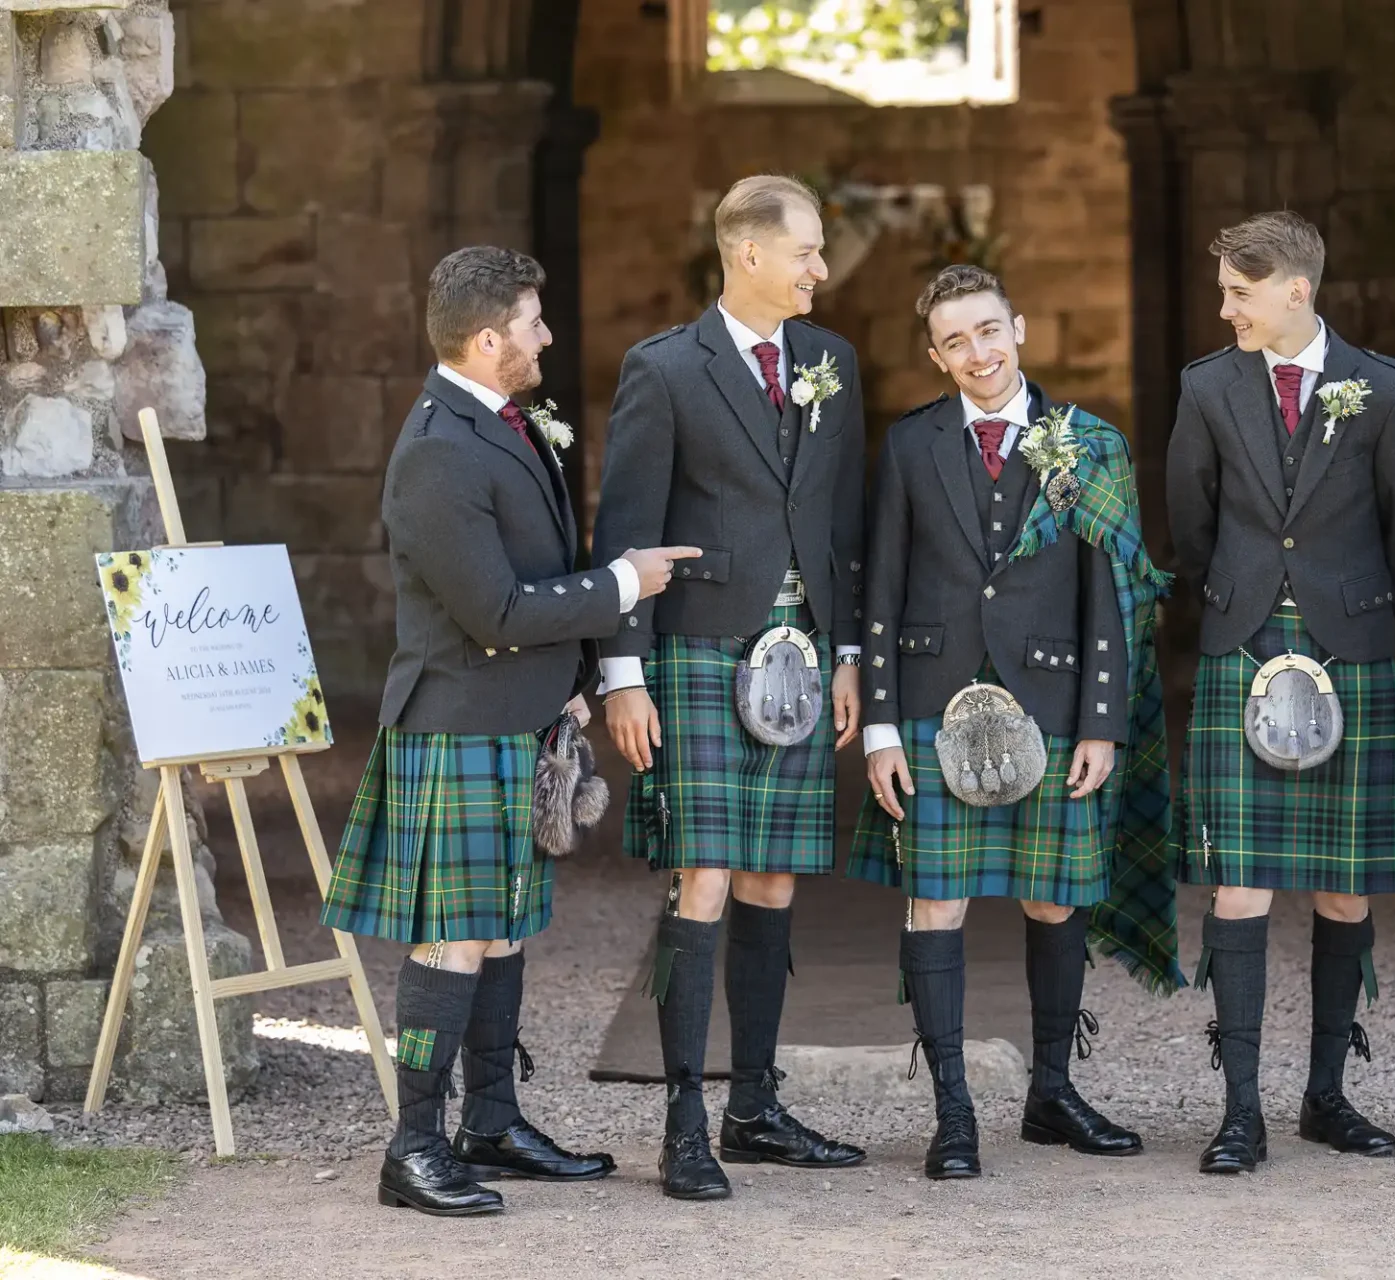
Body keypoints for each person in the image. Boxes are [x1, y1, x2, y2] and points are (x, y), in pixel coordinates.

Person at [321, 246, 692, 1215]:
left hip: (512, 718)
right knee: (456, 934)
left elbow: (526, 569)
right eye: (532, 323)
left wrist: (569, 687)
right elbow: (492, 608)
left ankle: (488, 1118)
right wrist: (620, 585)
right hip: (455, 723)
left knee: (502, 926)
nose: (546, 336)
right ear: (487, 341)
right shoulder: (440, 448)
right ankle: (413, 1145)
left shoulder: (498, 420)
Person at [847, 265, 1178, 1179]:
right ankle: (953, 1112)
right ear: (935, 355)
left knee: (1056, 896)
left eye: (989, 331)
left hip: (1056, 698)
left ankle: (1053, 1094)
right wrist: (879, 725)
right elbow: (879, 585)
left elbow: (1109, 593)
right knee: (937, 900)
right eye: (955, 341)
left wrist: (1104, 721)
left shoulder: (1087, 443)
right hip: (928, 699)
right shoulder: (911, 446)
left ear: (1019, 329)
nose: (977, 353)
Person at [593, 175, 868, 1200]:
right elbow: (627, 524)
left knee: (773, 879)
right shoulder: (664, 369)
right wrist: (623, 671)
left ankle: (754, 1106)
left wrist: (845, 653)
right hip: (700, 649)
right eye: (806, 251)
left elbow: (844, 519)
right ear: (748, 254)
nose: (820, 270)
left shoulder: (831, 362)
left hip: (800, 655)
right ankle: (681, 1120)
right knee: (700, 876)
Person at [1166, 210, 1395, 1174]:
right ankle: (1240, 1112)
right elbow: (1190, 521)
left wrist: (1352, 608)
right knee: (1239, 885)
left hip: (1349, 642)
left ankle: (1328, 1096)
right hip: (1245, 640)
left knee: (1344, 884)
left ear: (1295, 290)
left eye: (1240, 293)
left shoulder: (1388, 391)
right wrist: (1244, 596)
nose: (1226, 308)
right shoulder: (1207, 387)